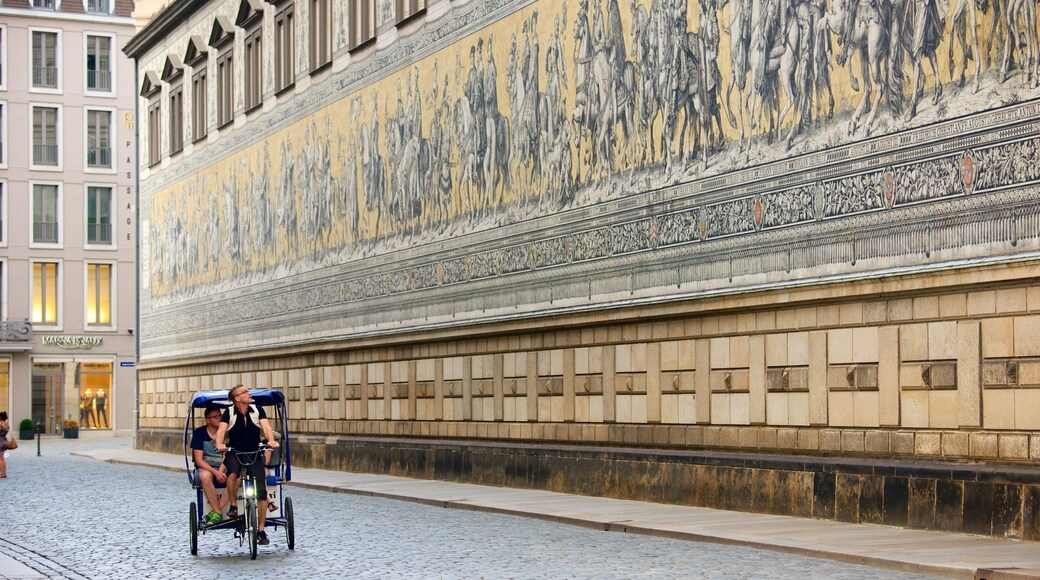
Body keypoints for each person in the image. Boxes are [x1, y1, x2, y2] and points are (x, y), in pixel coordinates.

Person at [215, 385, 279, 546]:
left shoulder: (257, 410)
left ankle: (261, 530)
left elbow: (266, 427)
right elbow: (221, 431)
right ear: (237, 398)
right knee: (233, 472)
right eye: (244, 392)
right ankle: (234, 506)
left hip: (254, 452)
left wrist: (270, 440)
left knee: (262, 491)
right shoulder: (229, 413)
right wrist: (219, 444)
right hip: (235, 452)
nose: (248, 393)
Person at [190, 406, 228, 524]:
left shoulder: (226, 433)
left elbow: (228, 456)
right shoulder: (199, 433)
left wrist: (220, 471)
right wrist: (215, 472)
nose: (219, 418)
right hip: (205, 467)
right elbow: (199, 460)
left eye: (220, 416)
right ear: (207, 419)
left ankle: (216, 512)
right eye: (215, 417)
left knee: (235, 476)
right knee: (205, 476)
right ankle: (217, 512)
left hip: (224, 465)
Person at [0, 412, 9, 478]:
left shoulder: (1, 424)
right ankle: (4, 472)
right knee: (2, 458)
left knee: (0, 458)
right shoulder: (7, 424)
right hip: (4, 441)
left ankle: (2, 473)